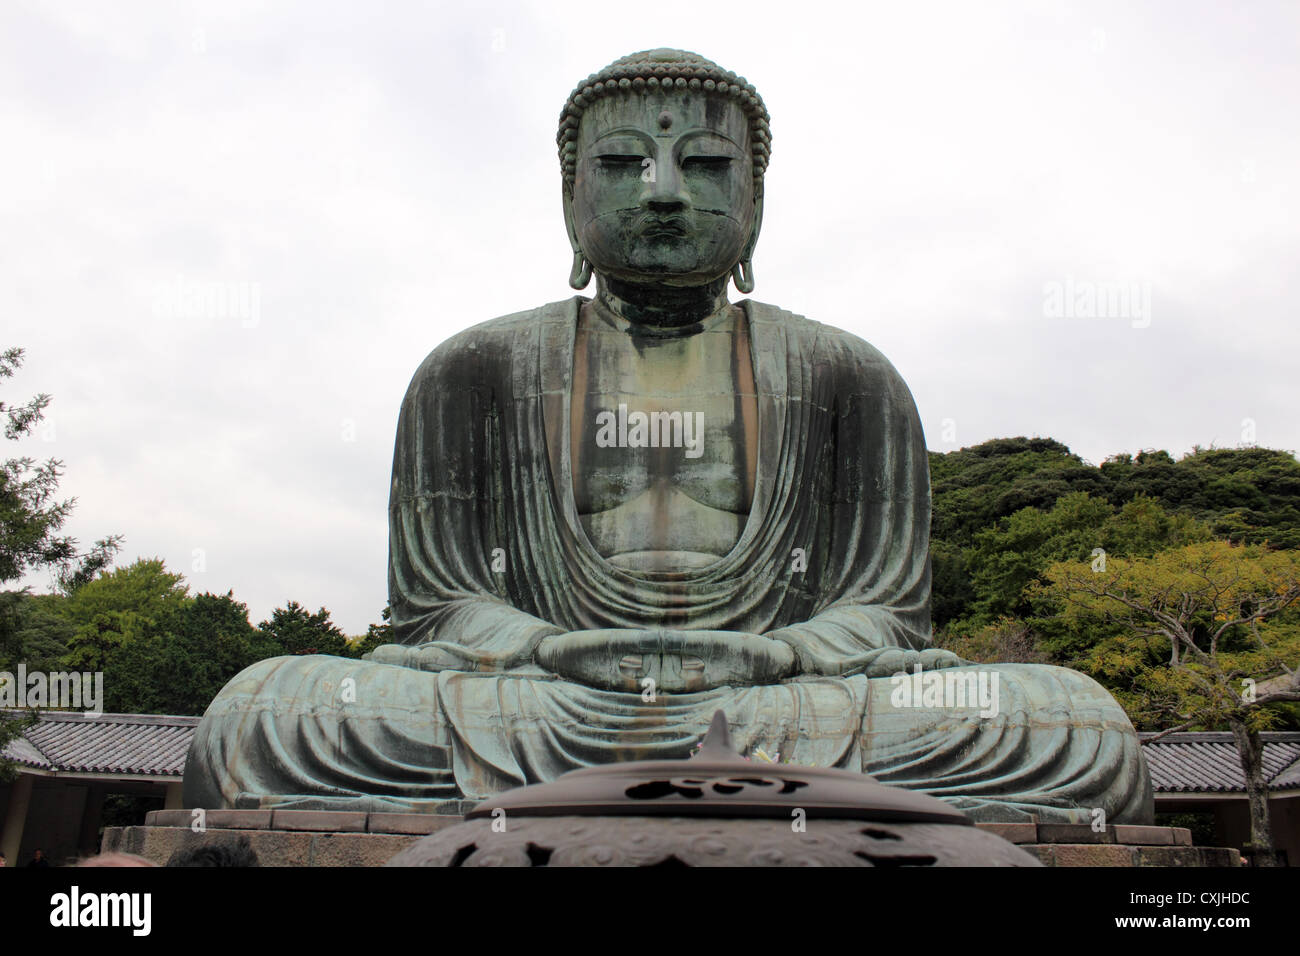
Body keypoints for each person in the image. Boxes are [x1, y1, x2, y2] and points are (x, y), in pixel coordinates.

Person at [184, 48, 1153, 825]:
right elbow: (438, 608)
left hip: (783, 705)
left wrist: (772, 657)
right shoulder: (471, 372)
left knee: (1072, 722)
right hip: (543, 700)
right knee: (262, 715)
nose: (659, 190)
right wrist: (554, 650)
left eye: (702, 165)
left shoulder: (846, 378)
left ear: (756, 201)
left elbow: (884, 617)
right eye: (618, 164)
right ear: (568, 199)